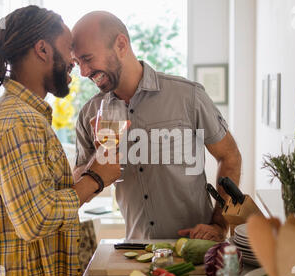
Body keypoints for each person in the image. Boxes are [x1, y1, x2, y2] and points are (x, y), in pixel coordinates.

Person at [0, 6, 120, 276]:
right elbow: (37, 219)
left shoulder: (26, 116)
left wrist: (92, 163)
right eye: (68, 52)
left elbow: (43, 195)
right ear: (42, 49)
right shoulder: (16, 122)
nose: (74, 65)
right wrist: (96, 178)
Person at [71, 11, 242, 242]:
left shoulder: (188, 96)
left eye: (88, 59)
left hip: (196, 249)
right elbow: (81, 188)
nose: (83, 72)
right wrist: (99, 160)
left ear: (121, 44)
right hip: (136, 251)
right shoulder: (89, 114)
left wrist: (219, 224)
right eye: (77, 62)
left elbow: (230, 156)